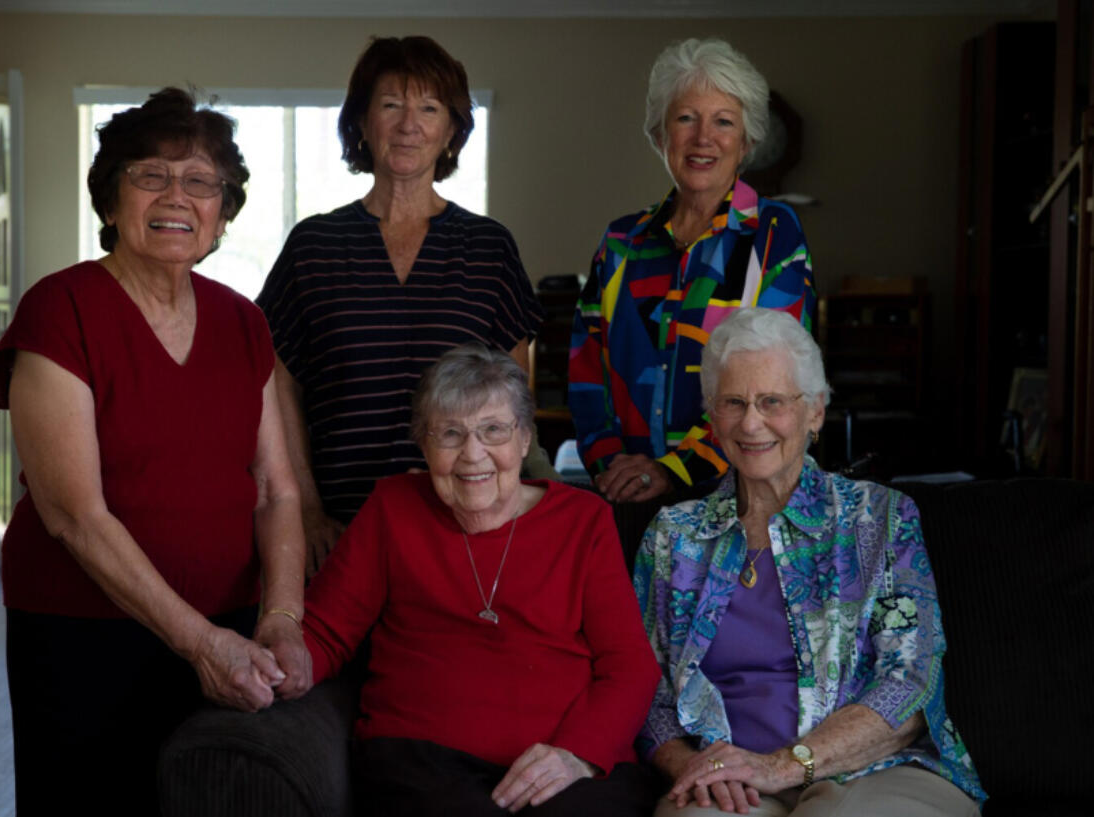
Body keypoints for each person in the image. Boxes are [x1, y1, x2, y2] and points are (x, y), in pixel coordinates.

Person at [0, 88, 310, 816]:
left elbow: (277, 490)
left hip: (232, 623)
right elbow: (75, 516)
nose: (177, 196)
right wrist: (198, 645)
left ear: (221, 212)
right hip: (82, 638)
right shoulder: (60, 308)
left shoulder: (243, 322)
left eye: (201, 182)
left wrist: (282, 615)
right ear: (110, 200)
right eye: (150, 175)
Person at [633, 308, 985, 816]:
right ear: (712, 416)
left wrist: (782, 766)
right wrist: (693, 768)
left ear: (815, 411)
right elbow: (645, 694)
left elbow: (909, 684)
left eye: (772, 401)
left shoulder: (879, 520)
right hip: (731, 782)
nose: (751, 422)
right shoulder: (673, 539)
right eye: (733, 402)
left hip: (872, 771)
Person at [301, 344, 661, 816]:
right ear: (423, 445)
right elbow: (325, 632)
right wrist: (273, 665)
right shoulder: (392, 508)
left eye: (493, 430)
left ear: (525, 439)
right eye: (450, 434)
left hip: (563, 763)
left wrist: (577, 753)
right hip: (422, 761)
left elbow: (630, 666)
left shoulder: (583, 520)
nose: (473, 455)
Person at [255, 35, 545, 575]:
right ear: (362, 124)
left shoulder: (488, 246)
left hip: (461, 529)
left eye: (429, 108)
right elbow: (277, 385)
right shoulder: (313, 245)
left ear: (452, 132)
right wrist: (307, 510)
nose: (409, 124)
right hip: (340, 532)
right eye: (390, 105)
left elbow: (513, 401)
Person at [569, 38, 816, 507]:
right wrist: (616, 470)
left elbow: (775, 384)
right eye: (686, 118)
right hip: (628, 500)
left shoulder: (773, 236)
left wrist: (675, 472)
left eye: (723, 122)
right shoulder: (621, 244)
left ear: (745, 143)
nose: (704, 138)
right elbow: (587, 375)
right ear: (661, 135)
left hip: (735, 502)